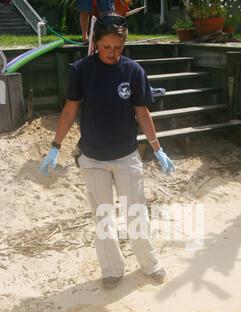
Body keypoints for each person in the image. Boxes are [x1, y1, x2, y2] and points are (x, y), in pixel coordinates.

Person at [39, 14, 175, 289]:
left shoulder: (133, 71)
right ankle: (112, 269)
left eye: (118, 48)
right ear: (95, 43)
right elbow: (70, 110)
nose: (112, 53)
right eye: (106, 48)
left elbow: (142, 112)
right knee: (103, 217)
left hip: (126, 156)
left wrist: (157, 148)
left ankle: (150, 264)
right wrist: (55, 147)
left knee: (136, 214)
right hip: (92, 159)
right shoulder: (81, 71)